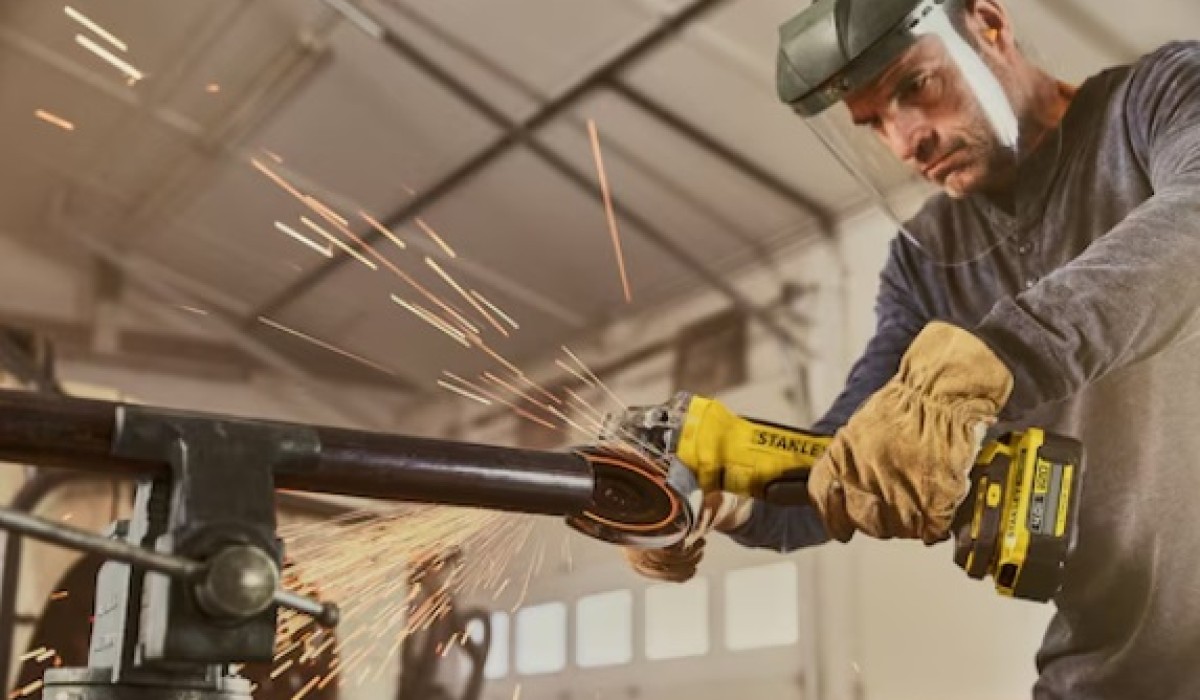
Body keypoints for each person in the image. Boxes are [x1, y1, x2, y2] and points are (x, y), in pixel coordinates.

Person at [626, 0, 1200, 697]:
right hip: (1107, 672)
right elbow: (848, 455)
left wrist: (1001, 355)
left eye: (914, 87)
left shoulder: (1157, 101)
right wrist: (727, 490)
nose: (905, 142)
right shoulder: (929, 260)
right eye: (873, 123)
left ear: (989, 24)